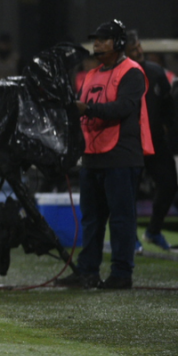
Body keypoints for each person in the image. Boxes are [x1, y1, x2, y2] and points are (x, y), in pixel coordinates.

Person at [58, 20, 153, 290]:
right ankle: (88, 270)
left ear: (119, 43)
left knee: (121, 219)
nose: (97, 44)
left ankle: (122, 274)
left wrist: (86, 109)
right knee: (91, 218)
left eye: (103, 39)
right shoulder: (91, 75)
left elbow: (123, 108)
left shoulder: (132, 72)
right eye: (96, 40)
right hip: (93, 155)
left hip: (121, 156)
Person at [127, 30, 174, 251]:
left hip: (155, 141)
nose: (138, 52)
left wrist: (165, 127)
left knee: (169, 184)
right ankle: (130, 237)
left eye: (138, 47)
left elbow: (167, 102)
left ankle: (153, 231)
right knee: (129, 192)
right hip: (131, 143)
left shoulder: (156, 73)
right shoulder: (122, 77)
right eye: (132, 49)